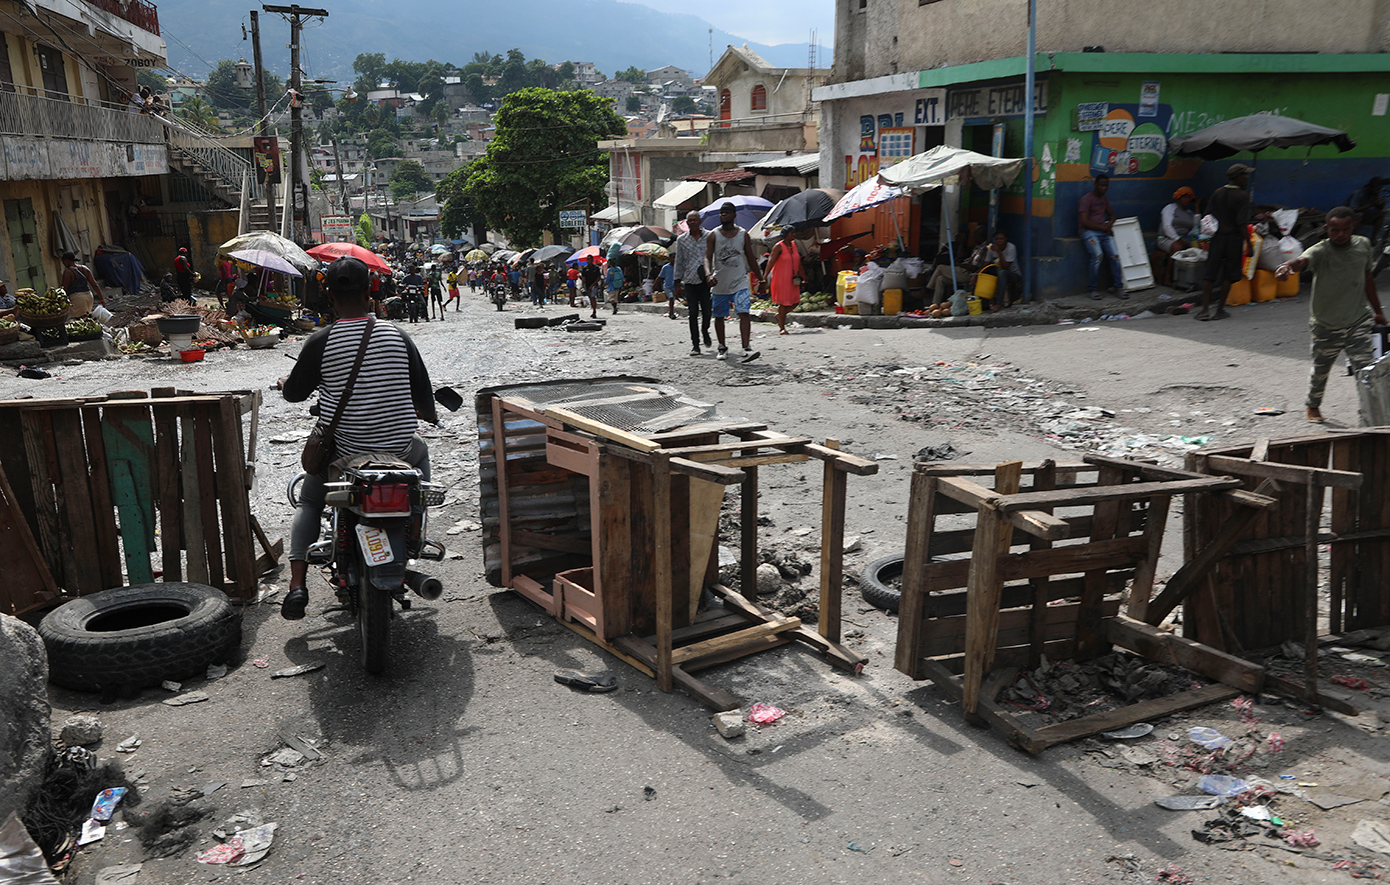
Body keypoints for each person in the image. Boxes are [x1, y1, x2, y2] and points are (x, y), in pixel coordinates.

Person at [277, 256, 438, 620]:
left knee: (309, 502)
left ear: (329, 295)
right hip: (399, 452)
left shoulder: (321, 341)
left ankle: (297, 585)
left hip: (344, 454)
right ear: (370, 291)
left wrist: (288, 383)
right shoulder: (399, 335)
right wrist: (428, 413)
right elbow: (424, 398)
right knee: (422, 468)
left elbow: (294, 395)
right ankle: (414, 532)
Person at [1275, 206, 1387, 424]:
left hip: (1358, 321)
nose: (1340, 234)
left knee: (1366, 371)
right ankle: (1313, 406)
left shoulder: (1363, 245)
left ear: (1353, 227)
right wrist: (1287, 266)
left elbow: (1368, 280)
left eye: (1345, 229)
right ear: (1327, 229)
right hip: (1326, 325)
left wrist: (1378, 312)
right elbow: (1302, 261)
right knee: (1321, 370)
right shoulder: (1321, 250)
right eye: (1335, 230)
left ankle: (1371, 417)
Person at [704, 201, 764, 362]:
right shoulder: (713, 235)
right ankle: (722, 347)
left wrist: (761, 278)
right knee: (719, 316)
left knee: (744, 312)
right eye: (721, 213)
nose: (723, 215)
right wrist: (708, 275)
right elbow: (707, 258)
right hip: (720, 283)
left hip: (739, 281)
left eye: (727, 212)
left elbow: (751, 258)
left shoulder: (742, 234)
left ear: (734, 215)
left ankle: (746, 347)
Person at [1198, 164, 1254, 322]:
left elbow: (1207, 215)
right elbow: (1241, 222)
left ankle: (1204, 310)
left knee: (1210, 274)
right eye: (1244, 175)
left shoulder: (1218, 193)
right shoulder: (1242, 196)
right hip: (1233, 239)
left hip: (1218, 238)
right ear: (1237, 177)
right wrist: (1248, 244)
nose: (1246, 178)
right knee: (1228, 275)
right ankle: (1219, 310)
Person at [1078, 174, 1126, 299]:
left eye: (1106, 186)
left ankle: (1118, 287)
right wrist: (1104, 228)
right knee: (1098, 256)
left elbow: (1112, 215)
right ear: (1095, 185)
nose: (1104, 188)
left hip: (1103, 231)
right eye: (1101, 185)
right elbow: (1085, 222)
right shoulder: (1086, 199)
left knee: (1115, 256)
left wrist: (1109, 225)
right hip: (1089, 232)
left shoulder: (1104, 199)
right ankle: (1092, 289)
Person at [673, 209, 712, 356]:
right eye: (690, 221)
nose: (693, 223)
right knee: (693, 312)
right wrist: (676, 282)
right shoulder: (682, 240)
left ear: (700, 221)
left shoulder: (709, 236)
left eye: (695, 220)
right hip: (689, 280)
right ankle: (695, 345)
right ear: (687, 223)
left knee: (707, 311)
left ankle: (705, 331)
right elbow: (679, 261)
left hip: (706, 280)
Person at [766, 229, 802, 334]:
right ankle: (782, 328)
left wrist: (803, 275)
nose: (794, 235)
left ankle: (779, 315)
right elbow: (771, 261)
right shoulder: (778, 246)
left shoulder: (794, 245)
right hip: (781, 278)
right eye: (792, 233)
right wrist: (764, 277)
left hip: (793, 278)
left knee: (795, 301)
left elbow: (798, 261)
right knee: (784, 303)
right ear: (786, 234)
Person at [982, 231, 1021, 309]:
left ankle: (999, 303)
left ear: (1006, 239)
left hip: (1013, 275)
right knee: (985, 273)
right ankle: (983, 303)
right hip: (998, 273)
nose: (999, 241)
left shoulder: (1011, 247)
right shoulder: (991, 249)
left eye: (1001, 239)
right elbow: (986, 264)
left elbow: (1005, 267)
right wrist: (977, 274)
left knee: (1002, 273)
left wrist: (999, 252)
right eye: (997, 239)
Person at [1159, 187, 1197, 254]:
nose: (1187, 200)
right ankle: (1172, 264)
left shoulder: (1189, 212)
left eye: (1189, 198)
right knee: (1178, 247)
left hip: (1184, 238)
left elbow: (1195, 226)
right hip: (1166, 239)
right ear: (1178, 198)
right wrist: (1177, 239)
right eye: (1184, 197)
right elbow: (1167, 226)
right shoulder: (1170, 208)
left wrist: (1197, 206)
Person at [657, 254, 676, 319]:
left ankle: (670, 311)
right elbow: (660, 277)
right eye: (673, 257)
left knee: (673, 300)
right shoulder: (665, 267)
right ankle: (672, 313)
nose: (674, 259)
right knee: (671, 298)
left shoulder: (678, 267)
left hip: (675, 286)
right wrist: (655, 285)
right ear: (670, 258)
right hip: (667, 286)